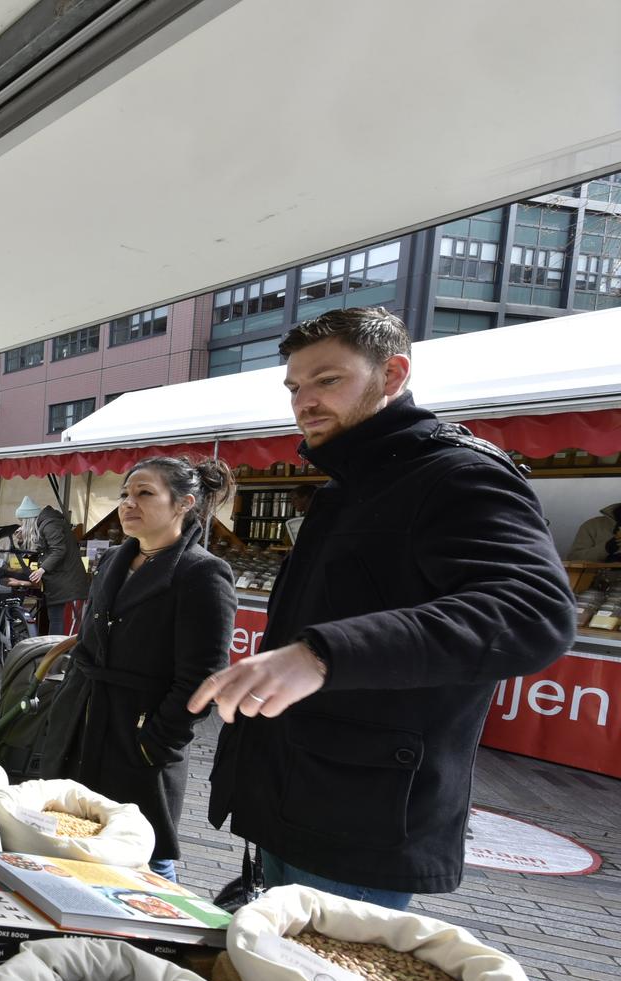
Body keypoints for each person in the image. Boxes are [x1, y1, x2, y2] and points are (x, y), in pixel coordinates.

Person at [191, 306, 576, 908]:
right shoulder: (353, 483)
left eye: (328, 380)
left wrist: (322, 655)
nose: (305, 401)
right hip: (294, 793)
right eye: (295, 386)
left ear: (392, 375)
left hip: (364, 817)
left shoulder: (457, 474)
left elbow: (532, 611)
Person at [32, 457, 237, 881]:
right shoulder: (112, 561)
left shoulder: (202, 573)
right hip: (81, 722)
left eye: (145, 493)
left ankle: (154, 939)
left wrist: (155, 742)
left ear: (184, 503)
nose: (128, 503)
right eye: (125, 494)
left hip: (137, 737)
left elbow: (203, 679)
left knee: (142, 857)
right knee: (71, 844)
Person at [28, 502, 89, 636]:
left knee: (60, 622)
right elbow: (49, 549)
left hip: (67, 584)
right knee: (57, 621)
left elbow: (58, 550)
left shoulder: (49, 525)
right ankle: (54, 653)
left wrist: (42, 569)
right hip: (62, 582)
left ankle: (56, 654)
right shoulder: (49, 523)